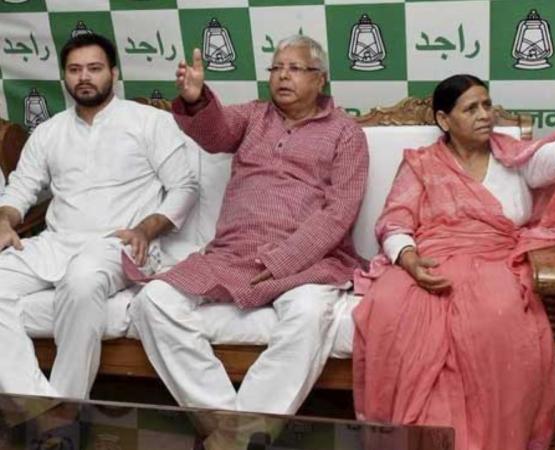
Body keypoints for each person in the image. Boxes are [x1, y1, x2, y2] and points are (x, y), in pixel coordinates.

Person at [352, 74, 555, 450]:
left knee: (492, 317)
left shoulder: (516, 159)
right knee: (389, 307)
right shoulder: (421, 164)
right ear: (444, 119)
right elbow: (395, 221)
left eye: (487, 105)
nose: (484, 115)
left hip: (496, 261)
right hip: (427, 259)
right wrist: (409, 260)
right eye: (470, 108)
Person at [127, 35, 368, 425]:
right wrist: (196, 100)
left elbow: (340, 212)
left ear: (320, 79)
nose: (283, 76)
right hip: (232, 253)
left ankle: (243, 430)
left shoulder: (346, 133)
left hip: (308, 261)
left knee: (309, 312)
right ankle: (230, 424)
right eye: (277, 68)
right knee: (153, 301)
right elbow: (216, 133)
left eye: (295, 68)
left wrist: (284, 260)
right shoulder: (254, 116)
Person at [0, 33, 198, 399]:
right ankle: (38, 404)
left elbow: (185, 188)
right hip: (56, 243)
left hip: (120, 244)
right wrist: (4, 220)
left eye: (94, 68)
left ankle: (66, 407)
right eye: (75, 70)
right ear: (65, 76)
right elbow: (20, 190)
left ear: (114, 73)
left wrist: (145, 229)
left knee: (81, 279)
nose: (84, 77)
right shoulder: (49, 132)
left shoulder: (149, 122)